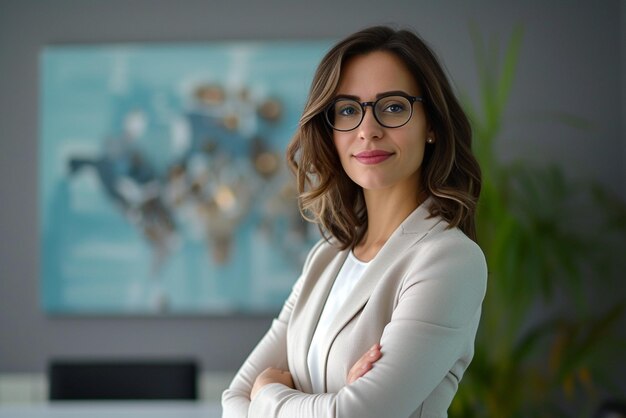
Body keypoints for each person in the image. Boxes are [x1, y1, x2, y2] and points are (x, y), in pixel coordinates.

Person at [221, 25, 487, 418]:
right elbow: (233, 401)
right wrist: (329, 402)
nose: (367, 130)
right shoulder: (327, 257)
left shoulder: (449, 260)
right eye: (347, 110)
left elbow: (355, 415)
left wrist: (267, 395)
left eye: (393, 106)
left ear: (430, 124)